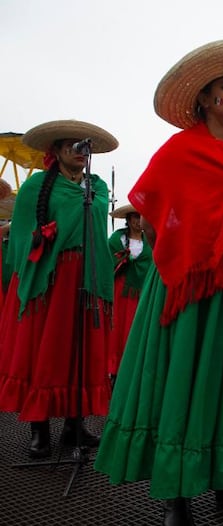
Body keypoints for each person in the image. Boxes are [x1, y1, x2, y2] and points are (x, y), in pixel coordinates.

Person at [93, 39, 223, 526]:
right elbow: (155, 213)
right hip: (191, 284)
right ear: (204, 99)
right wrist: (184, 261)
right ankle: (175, 494)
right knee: (185, 379)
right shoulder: (182, 150)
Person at [0, 120, 117, 458]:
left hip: (88, 277)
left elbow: (94, 224)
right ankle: (38, 426)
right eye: (71, 145)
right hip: (50, 281)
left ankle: (74, 425)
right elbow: (22, 233)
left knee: (79, 348)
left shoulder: (97, 187)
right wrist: (45, 239)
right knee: (45, 349)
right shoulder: (38, 186)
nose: (79, 151)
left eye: (84, 145)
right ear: (56, 151)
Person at [107, 204, 153, 379]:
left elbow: (151, 266)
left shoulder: (149, 241)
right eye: (135, 217)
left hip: (141, 294)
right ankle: (114, 370)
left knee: (135, 329)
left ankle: (133, 369)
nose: (138, 220)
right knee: (117, 329)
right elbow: (108, 260)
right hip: (119, 292)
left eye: (141, 217)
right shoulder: (116, 240)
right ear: (128, 219)